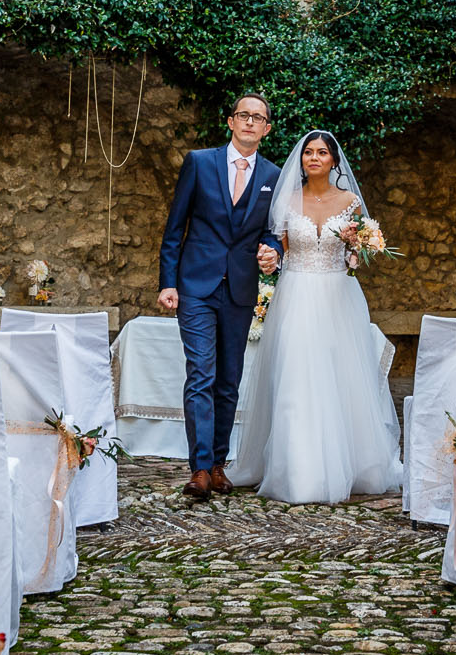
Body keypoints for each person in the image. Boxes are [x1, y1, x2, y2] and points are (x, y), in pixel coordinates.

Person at [228, 129, 404, 504]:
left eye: (322, 153)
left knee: (341, 375)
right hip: (296, 293)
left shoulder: (351, 202)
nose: (313, 158)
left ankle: (352, 465)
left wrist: (358, 253)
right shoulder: (287, 200)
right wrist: (271, 259)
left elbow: (354, 256)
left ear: (334, 161)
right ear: (302, 160)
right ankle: (299, 471)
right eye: (308, 152)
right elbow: (280, 248)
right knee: (296, 375)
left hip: (339, 296)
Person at [158, 93, 285, 502]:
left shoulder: (274, 174)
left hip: (240, 289)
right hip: (195, 286)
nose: (250, 122)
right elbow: (175, 226)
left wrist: (273, 252)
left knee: (228, 382)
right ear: (231, 122)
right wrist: (168, 282)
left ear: (266, 129)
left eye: (258, 118)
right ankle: (198, 468)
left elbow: (270, 230)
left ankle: (217, 464)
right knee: (201, 374)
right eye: (243, 115)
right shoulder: (200, 162)